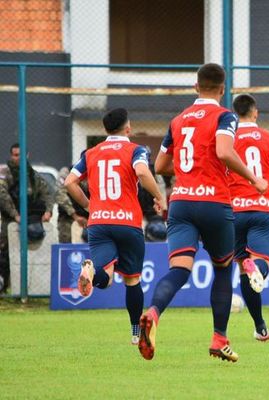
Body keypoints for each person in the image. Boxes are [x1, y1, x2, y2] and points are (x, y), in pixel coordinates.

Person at [137, 64, 268, 363]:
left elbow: (160, 166)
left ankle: (154, 312)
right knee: (223, 268)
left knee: (179, 270)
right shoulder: (225, 116)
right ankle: (219, 338)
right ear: (223, 90)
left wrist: (188, 171)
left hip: (181, 202)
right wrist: (254, 179)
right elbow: (223, 151)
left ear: (195, 87)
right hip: (214, 203)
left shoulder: (178, 119)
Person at [64, 108, 165, 345]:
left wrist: (90, 206)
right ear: (128, 127)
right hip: (127, 222)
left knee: (105, 278)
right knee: (132, 279)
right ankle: (134, 331)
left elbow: (70, 182)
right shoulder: (135, 150)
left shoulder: (91, 153)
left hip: (99, 222)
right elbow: (141, 171)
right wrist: (159, 196)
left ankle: (90, 270)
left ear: (105, 129)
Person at [228, 94, 269, 341]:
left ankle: (260, 327)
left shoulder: (227, 138)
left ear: (235, 114)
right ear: (255, 112)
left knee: (243, 270)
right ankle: (256, 269)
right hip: (261, 209)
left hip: (233, 210)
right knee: (259, 264)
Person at [0, 143, 53, 292]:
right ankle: (4, 287)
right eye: (16, 155)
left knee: (33, 253)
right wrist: (15, 215)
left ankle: (29, 288)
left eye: (21, 155)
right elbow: (2, 195)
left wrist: (48, 211)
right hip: (11, 220)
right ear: (11, 156)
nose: (18, 158)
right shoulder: (6, 173)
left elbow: (47, 193)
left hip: (31, 220)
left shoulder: (33, 175)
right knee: (5, 253)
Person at [56, 167, 89, 243]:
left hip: (89, 215)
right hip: (68, 216)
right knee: (65, 240)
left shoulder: (95, 171)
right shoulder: (67, 173)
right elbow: (60, 195)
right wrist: (75, 216)